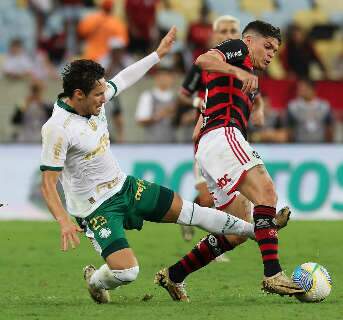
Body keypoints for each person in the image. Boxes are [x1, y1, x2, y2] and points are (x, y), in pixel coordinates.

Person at [40, 27, 260, 305]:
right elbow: (48, 183)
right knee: (128, 272)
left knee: (191, 212)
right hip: (95, 207)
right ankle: (96, 281)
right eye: (98, 95)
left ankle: (257, 231)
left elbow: (123, 79)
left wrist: (157, 54)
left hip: (124, 186)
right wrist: (63, 221)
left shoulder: (95, 98)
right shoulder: (57, 128)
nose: (104, 97)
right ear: (78, 94)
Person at [155, 21, 304, 301]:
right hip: (223, 136)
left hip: (213, 143)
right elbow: (204, 60)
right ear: (249, 40)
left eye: (276, 50)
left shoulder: (247, 77)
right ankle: (273, 273)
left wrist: (255, 106)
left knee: (236, 230)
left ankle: (173, 275)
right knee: (267, 191)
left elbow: (209, 108)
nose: (271, 54)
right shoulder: (237, 50)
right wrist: (236, 69)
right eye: (267, 46)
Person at [179, 15, 266, 245]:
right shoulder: (208, 63)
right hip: (211, 132)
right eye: (223, 31)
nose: (228, 35)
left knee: (233, 201)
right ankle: (263, 231)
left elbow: (254, 94)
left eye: (232, 30)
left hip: (226, 132)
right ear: (215, 35)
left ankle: (214, 234)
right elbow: (183, 94)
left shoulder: (244, 62)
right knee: (209, 198)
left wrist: (259, 108)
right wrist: (200, 107)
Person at [135, 65, 177, 143]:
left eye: (167, 76)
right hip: (153, 146)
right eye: (161, 76)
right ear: (156, 78)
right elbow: (140, 120)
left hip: (172, 144)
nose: (164, 79)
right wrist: (159, 115)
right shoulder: (148, 96)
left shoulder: (176, 99)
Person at [286, 79, 334, 143]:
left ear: (312, 89)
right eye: (299, 88)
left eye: (303, 88)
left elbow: (329, 128)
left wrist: (328, 146)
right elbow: (289, 130)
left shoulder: (324, 106)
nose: (299, 91)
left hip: (320, 146)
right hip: (299, 146)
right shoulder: (293, 107)